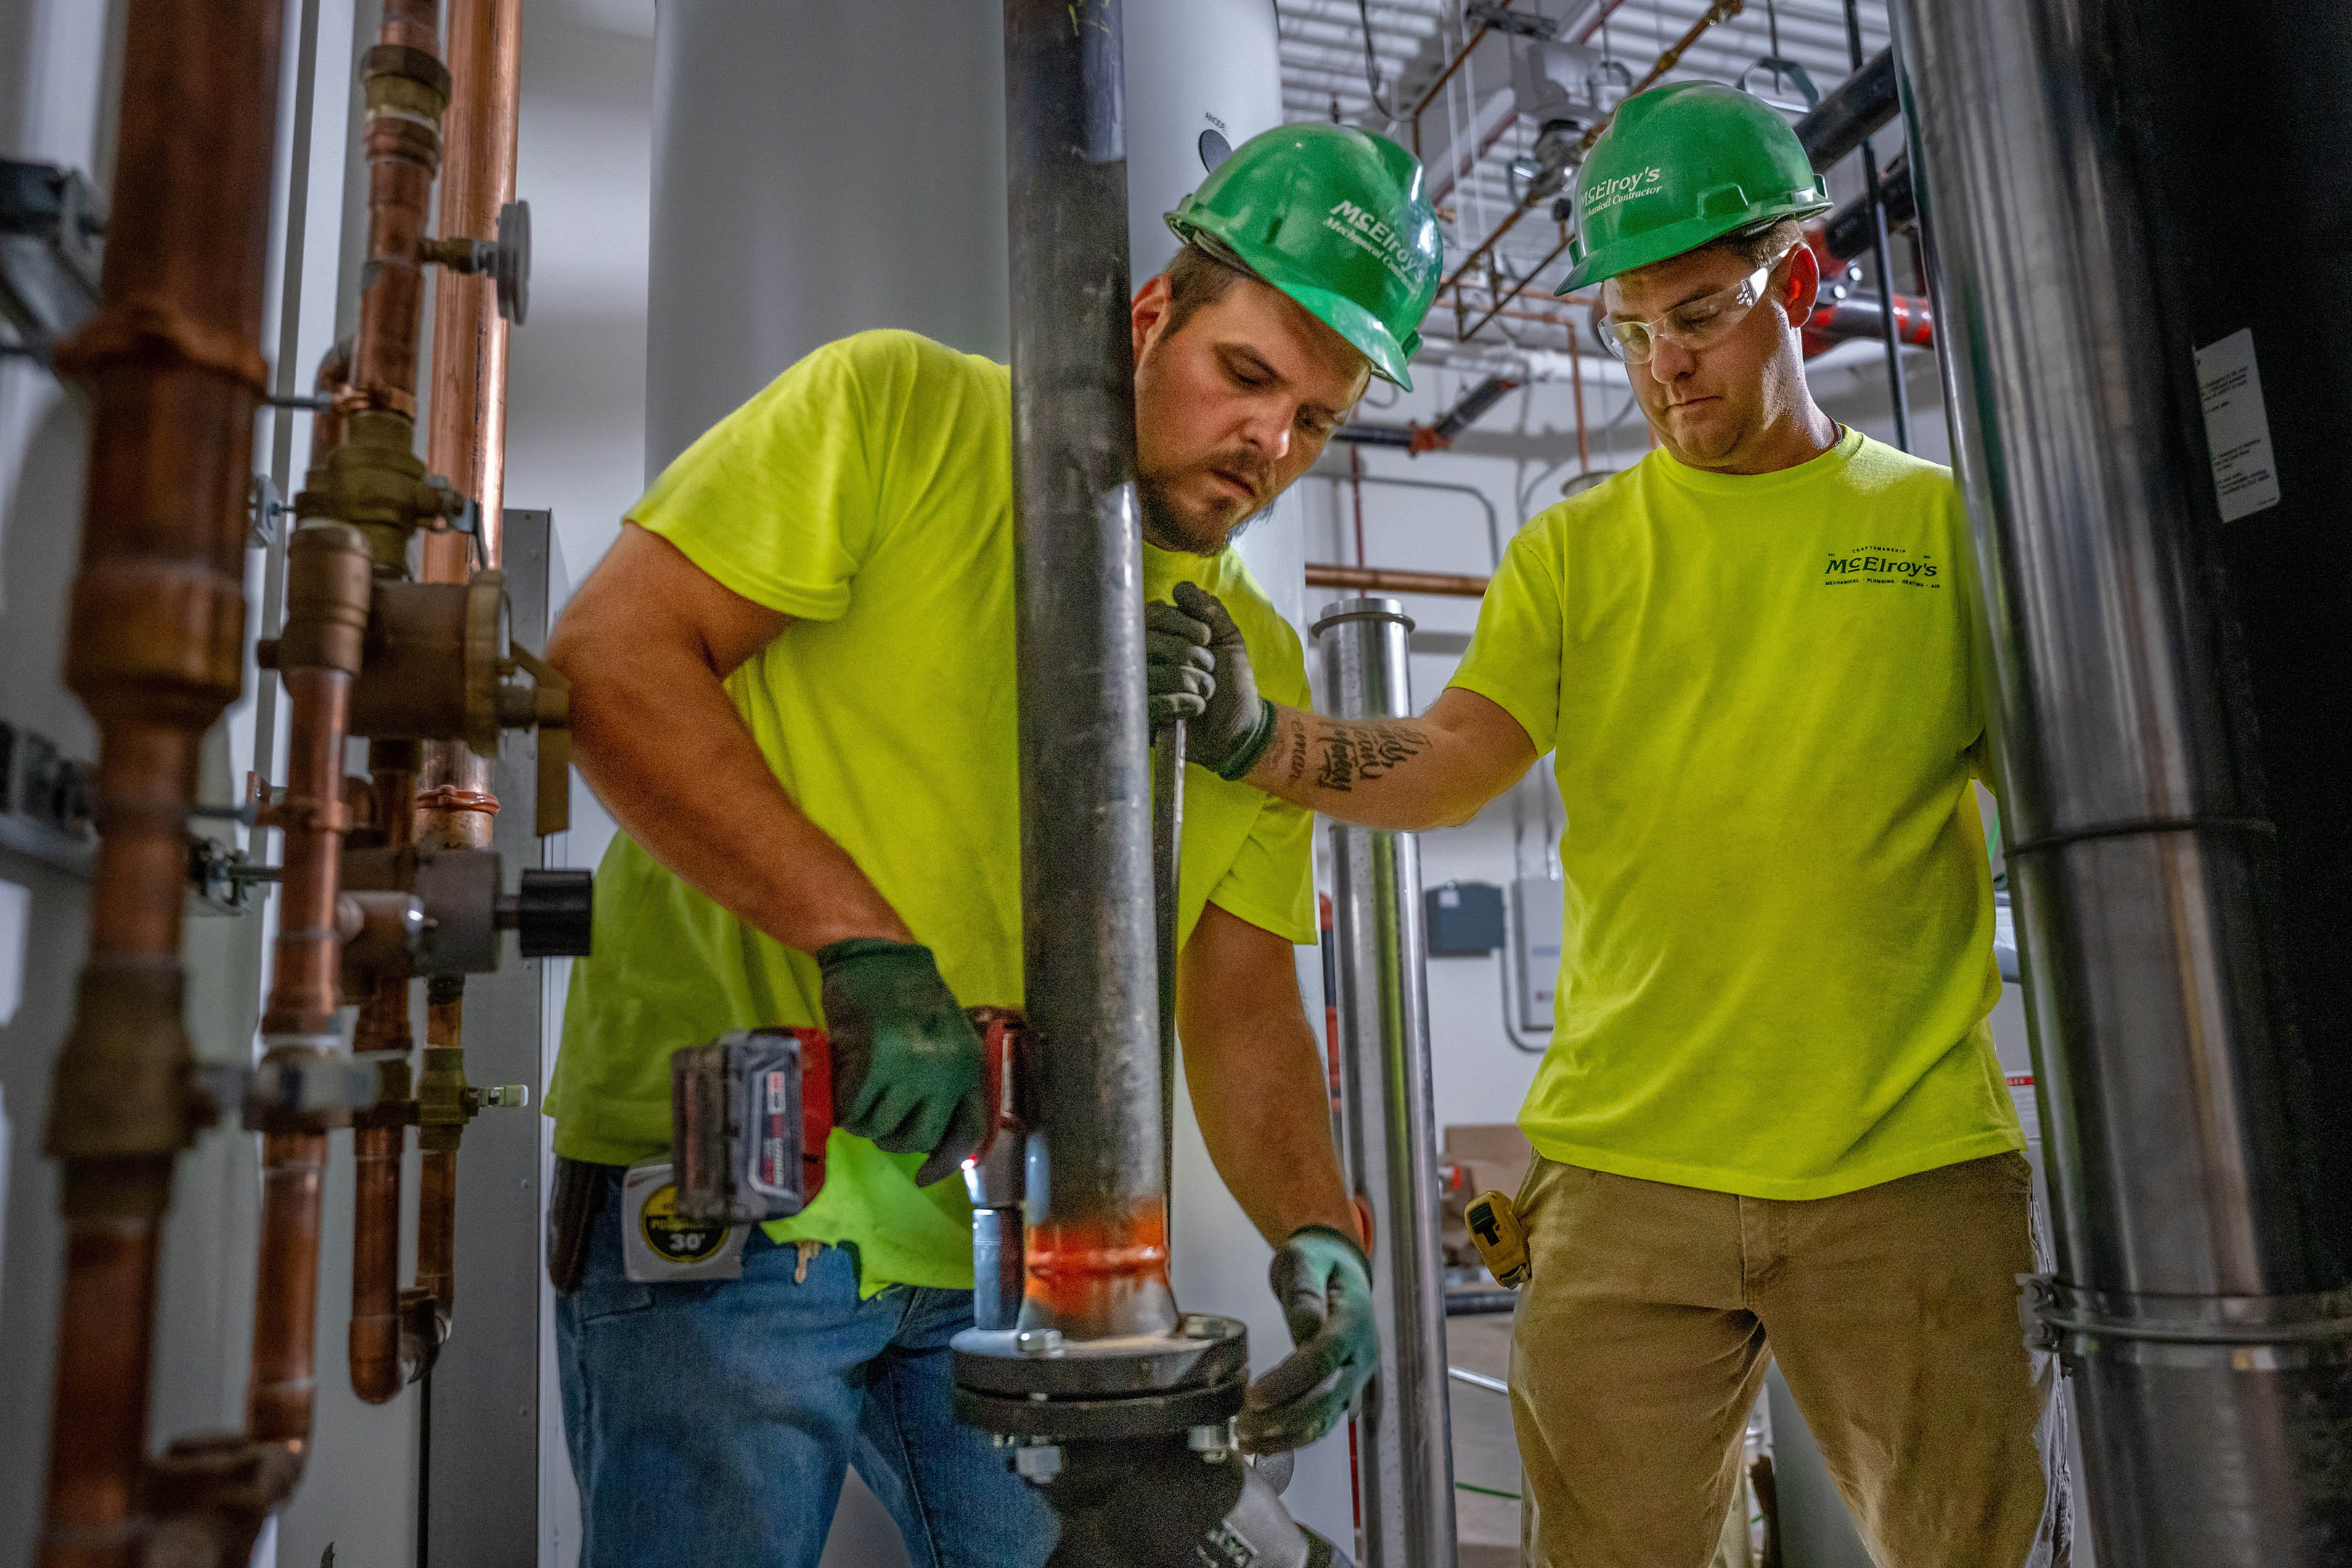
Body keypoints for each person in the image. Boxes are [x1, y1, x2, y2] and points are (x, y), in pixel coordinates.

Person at [1151, 83, 2060, 1568]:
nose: (1662, 368)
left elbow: (2084, 833)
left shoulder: (1943, 534)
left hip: (1907, 1173)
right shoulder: (1577, 548)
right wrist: (1265, 739)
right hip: (1627, 1184)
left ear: (1804, 286)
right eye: (1629, 333)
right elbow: (1450, 759)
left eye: (1696, 316)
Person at [539, 123, 1441, 1568]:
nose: (1269, 444)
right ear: (1152, 317)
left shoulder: (1250, 667)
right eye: (1248, 376)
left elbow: (1242, 998)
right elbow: (611, 664)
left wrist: (1320, 1240)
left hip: (1001, 1252)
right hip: (732, 1220)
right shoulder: (897, 412)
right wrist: (863, 946)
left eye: (1317, 421)